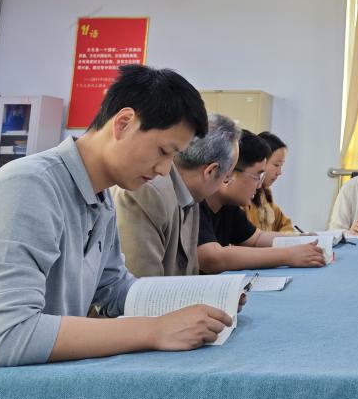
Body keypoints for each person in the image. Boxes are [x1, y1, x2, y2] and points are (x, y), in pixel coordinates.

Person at [0, 65, 235, 399]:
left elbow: (115, 291)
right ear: (124, 123)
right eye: (163, 152)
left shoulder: (100, 198)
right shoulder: (28, 187)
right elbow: (9, 336)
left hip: (38, 393)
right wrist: (154, 330)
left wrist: (211, 295)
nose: (164, 170)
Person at [114, 113, 240, 277]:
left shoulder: (190, 196)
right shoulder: (148, 192)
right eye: (227, 176)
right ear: (211, 171)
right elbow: (142, 284)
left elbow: (189, 273)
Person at [196, 130, 326, 273]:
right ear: (229, 173)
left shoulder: (227, 206)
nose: (259, 186)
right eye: (257, 176)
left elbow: (257, 238)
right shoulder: (196, 204)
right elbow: (213, 258)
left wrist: (299, 241)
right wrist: (288, 255)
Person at [244, 131, 297, 233]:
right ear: (261, 162)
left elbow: (285, 225)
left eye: (281, 166)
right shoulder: (244, 196)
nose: (279, 172)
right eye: (276, 165)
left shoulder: (265, 194)